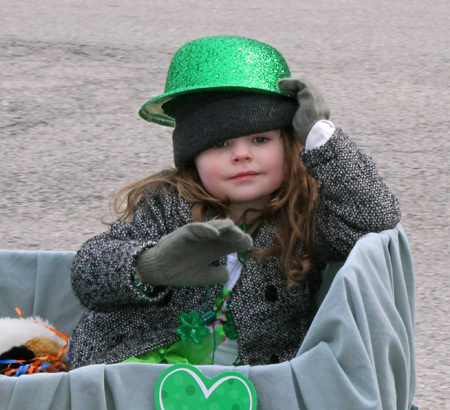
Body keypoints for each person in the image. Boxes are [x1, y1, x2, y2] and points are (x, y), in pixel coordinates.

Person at [69, 35, 400, 370]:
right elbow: (87, 273)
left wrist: (320, 136)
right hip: (141, 374)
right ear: (191, 156)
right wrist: (149, 266)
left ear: (289, 143)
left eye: (260, 139)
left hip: (254, 389)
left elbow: (375, 216)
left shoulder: (303, 212)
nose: (242, 154)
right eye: (220, 142)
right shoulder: (166, 203)